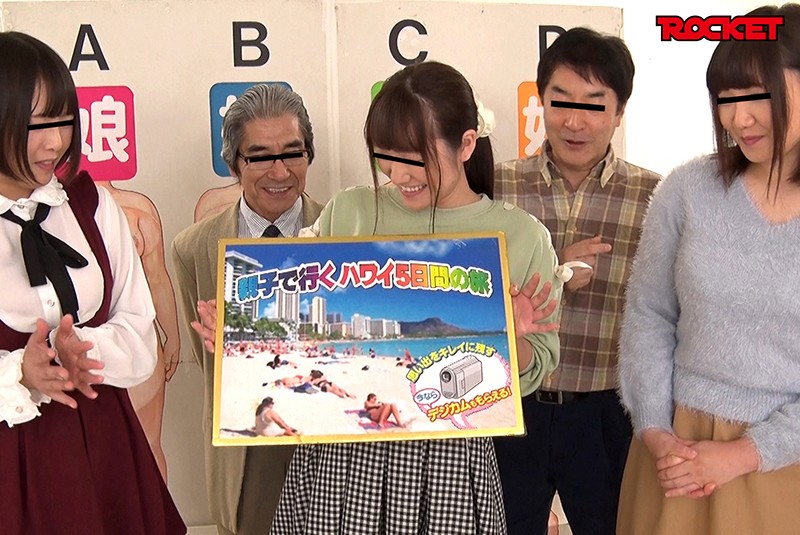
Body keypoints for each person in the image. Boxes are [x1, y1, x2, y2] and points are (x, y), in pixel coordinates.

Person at [270, 60, 563, 534]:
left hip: (451, 463)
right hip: (339, 463)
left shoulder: (520, 235)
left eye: (415, 159)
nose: (398, 174)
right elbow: (301, 317)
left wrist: (510, 336)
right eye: (386, 157)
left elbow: (534, 370)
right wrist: (232, 329)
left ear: (466, 144)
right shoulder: (350, 211)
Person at [617, 4, 800, 534]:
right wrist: (655, 429)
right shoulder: (688, 190)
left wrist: (745, 453)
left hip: (782, 466)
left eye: (758, 95)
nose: (738, 119)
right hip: (674, 455)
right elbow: (649, 314)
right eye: (726, 98)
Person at [0, 31, 185, 534]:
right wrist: (20, 374)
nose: (55, 141)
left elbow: (139, 330)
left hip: (107, 452)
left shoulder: (92, 204)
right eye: (36, 125)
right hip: (12, 464)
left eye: (63, 120)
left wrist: (80, 350)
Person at [492, 27, 662, 535]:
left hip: (604, 412)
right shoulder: (494, 186)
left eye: (593, 105)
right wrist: (552, 270)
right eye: (561, 101)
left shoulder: (654, 197)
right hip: (509, 404)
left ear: (619, 110)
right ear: (541, 100)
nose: (574, 121)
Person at [171, 83, 324, 535]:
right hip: (247, 451)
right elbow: (208, 362)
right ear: (234, 163)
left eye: (292, 153)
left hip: (332, 447)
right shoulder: (193, 248)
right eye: (259, 157)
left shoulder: (345, 232)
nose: (279, 171)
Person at [96, 180, 181, 482]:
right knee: (145, 446)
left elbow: (157, 279)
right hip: (93, 347)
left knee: (145, 447)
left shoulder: (135, 209)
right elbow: (157, 279)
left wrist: (173, 337)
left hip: (129, 343)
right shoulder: (137, 209)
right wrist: (172, 337)